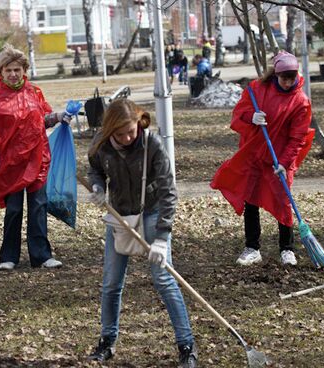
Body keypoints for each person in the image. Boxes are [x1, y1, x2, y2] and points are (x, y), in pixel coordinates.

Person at [85, 99, 198, 368]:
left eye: (130, 131)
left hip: (152, 212)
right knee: (112, 282)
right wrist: (97, 188)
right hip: (119, 215)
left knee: (164, 279)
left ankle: (186, 345)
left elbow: (169, 192)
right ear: (109, 129)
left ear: (139, 122)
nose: (126, 138)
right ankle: (107, 341)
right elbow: (95, 170)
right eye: (119, 133)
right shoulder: (100, 144)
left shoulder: (152, 144)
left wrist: (161, 238)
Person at [0, 44, 76, 271]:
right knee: (14, 209)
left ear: (24, 70)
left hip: (37, 160)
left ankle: (42, 256)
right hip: (10, 164)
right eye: (8, 70)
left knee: (38, 207)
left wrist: (59, 117)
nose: (13, 74)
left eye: (17, 69)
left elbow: (41, 119)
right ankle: (9, 256)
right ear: (0, 72)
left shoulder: (33, 93)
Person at [210, 51, 314, 267]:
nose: (287, 83)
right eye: (284, 78)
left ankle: (287, 249)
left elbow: (297, 138)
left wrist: (284, 163)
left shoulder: (300, 101)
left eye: (291, 78)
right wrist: (251, 117)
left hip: (281, 158)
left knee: (283, 200)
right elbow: (240, 113)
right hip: (256, 154)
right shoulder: (258, 90)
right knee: (251, 199)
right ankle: (252, 247)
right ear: (275, 75)